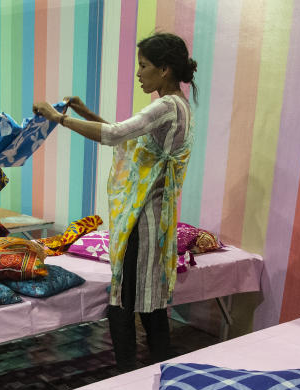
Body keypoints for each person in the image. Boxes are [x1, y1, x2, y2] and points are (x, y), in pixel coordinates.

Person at [33, 32, 197, 371]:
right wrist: (85, 112)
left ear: (164, 69)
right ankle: (159, 365)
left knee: (122, 303)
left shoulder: (165, 106)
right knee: (150, 304)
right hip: (156, 217)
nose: (139, 73)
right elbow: (125, 135)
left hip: (143, 220)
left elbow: (115, 135)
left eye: (144, 66)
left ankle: (125, 375)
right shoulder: (179, 106)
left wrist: (59, 118)